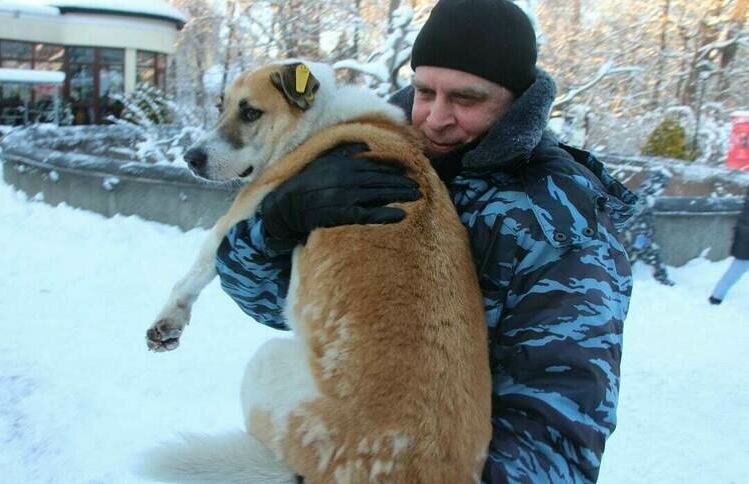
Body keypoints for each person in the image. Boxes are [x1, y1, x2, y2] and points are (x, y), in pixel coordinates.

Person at [215, 0, 638, 481]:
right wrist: (270, 227)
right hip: (338, 435)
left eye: (466, 98)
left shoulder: (561, 224)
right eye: (423, 91)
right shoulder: (366, 157)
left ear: (517, 100)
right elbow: (278, 307)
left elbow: (560, 431)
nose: (436, 117)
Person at [709, 186, 749, 304]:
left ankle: (717, 296)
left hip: (744, 235)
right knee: (738, 267)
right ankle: (717, 296)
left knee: (737, 268)